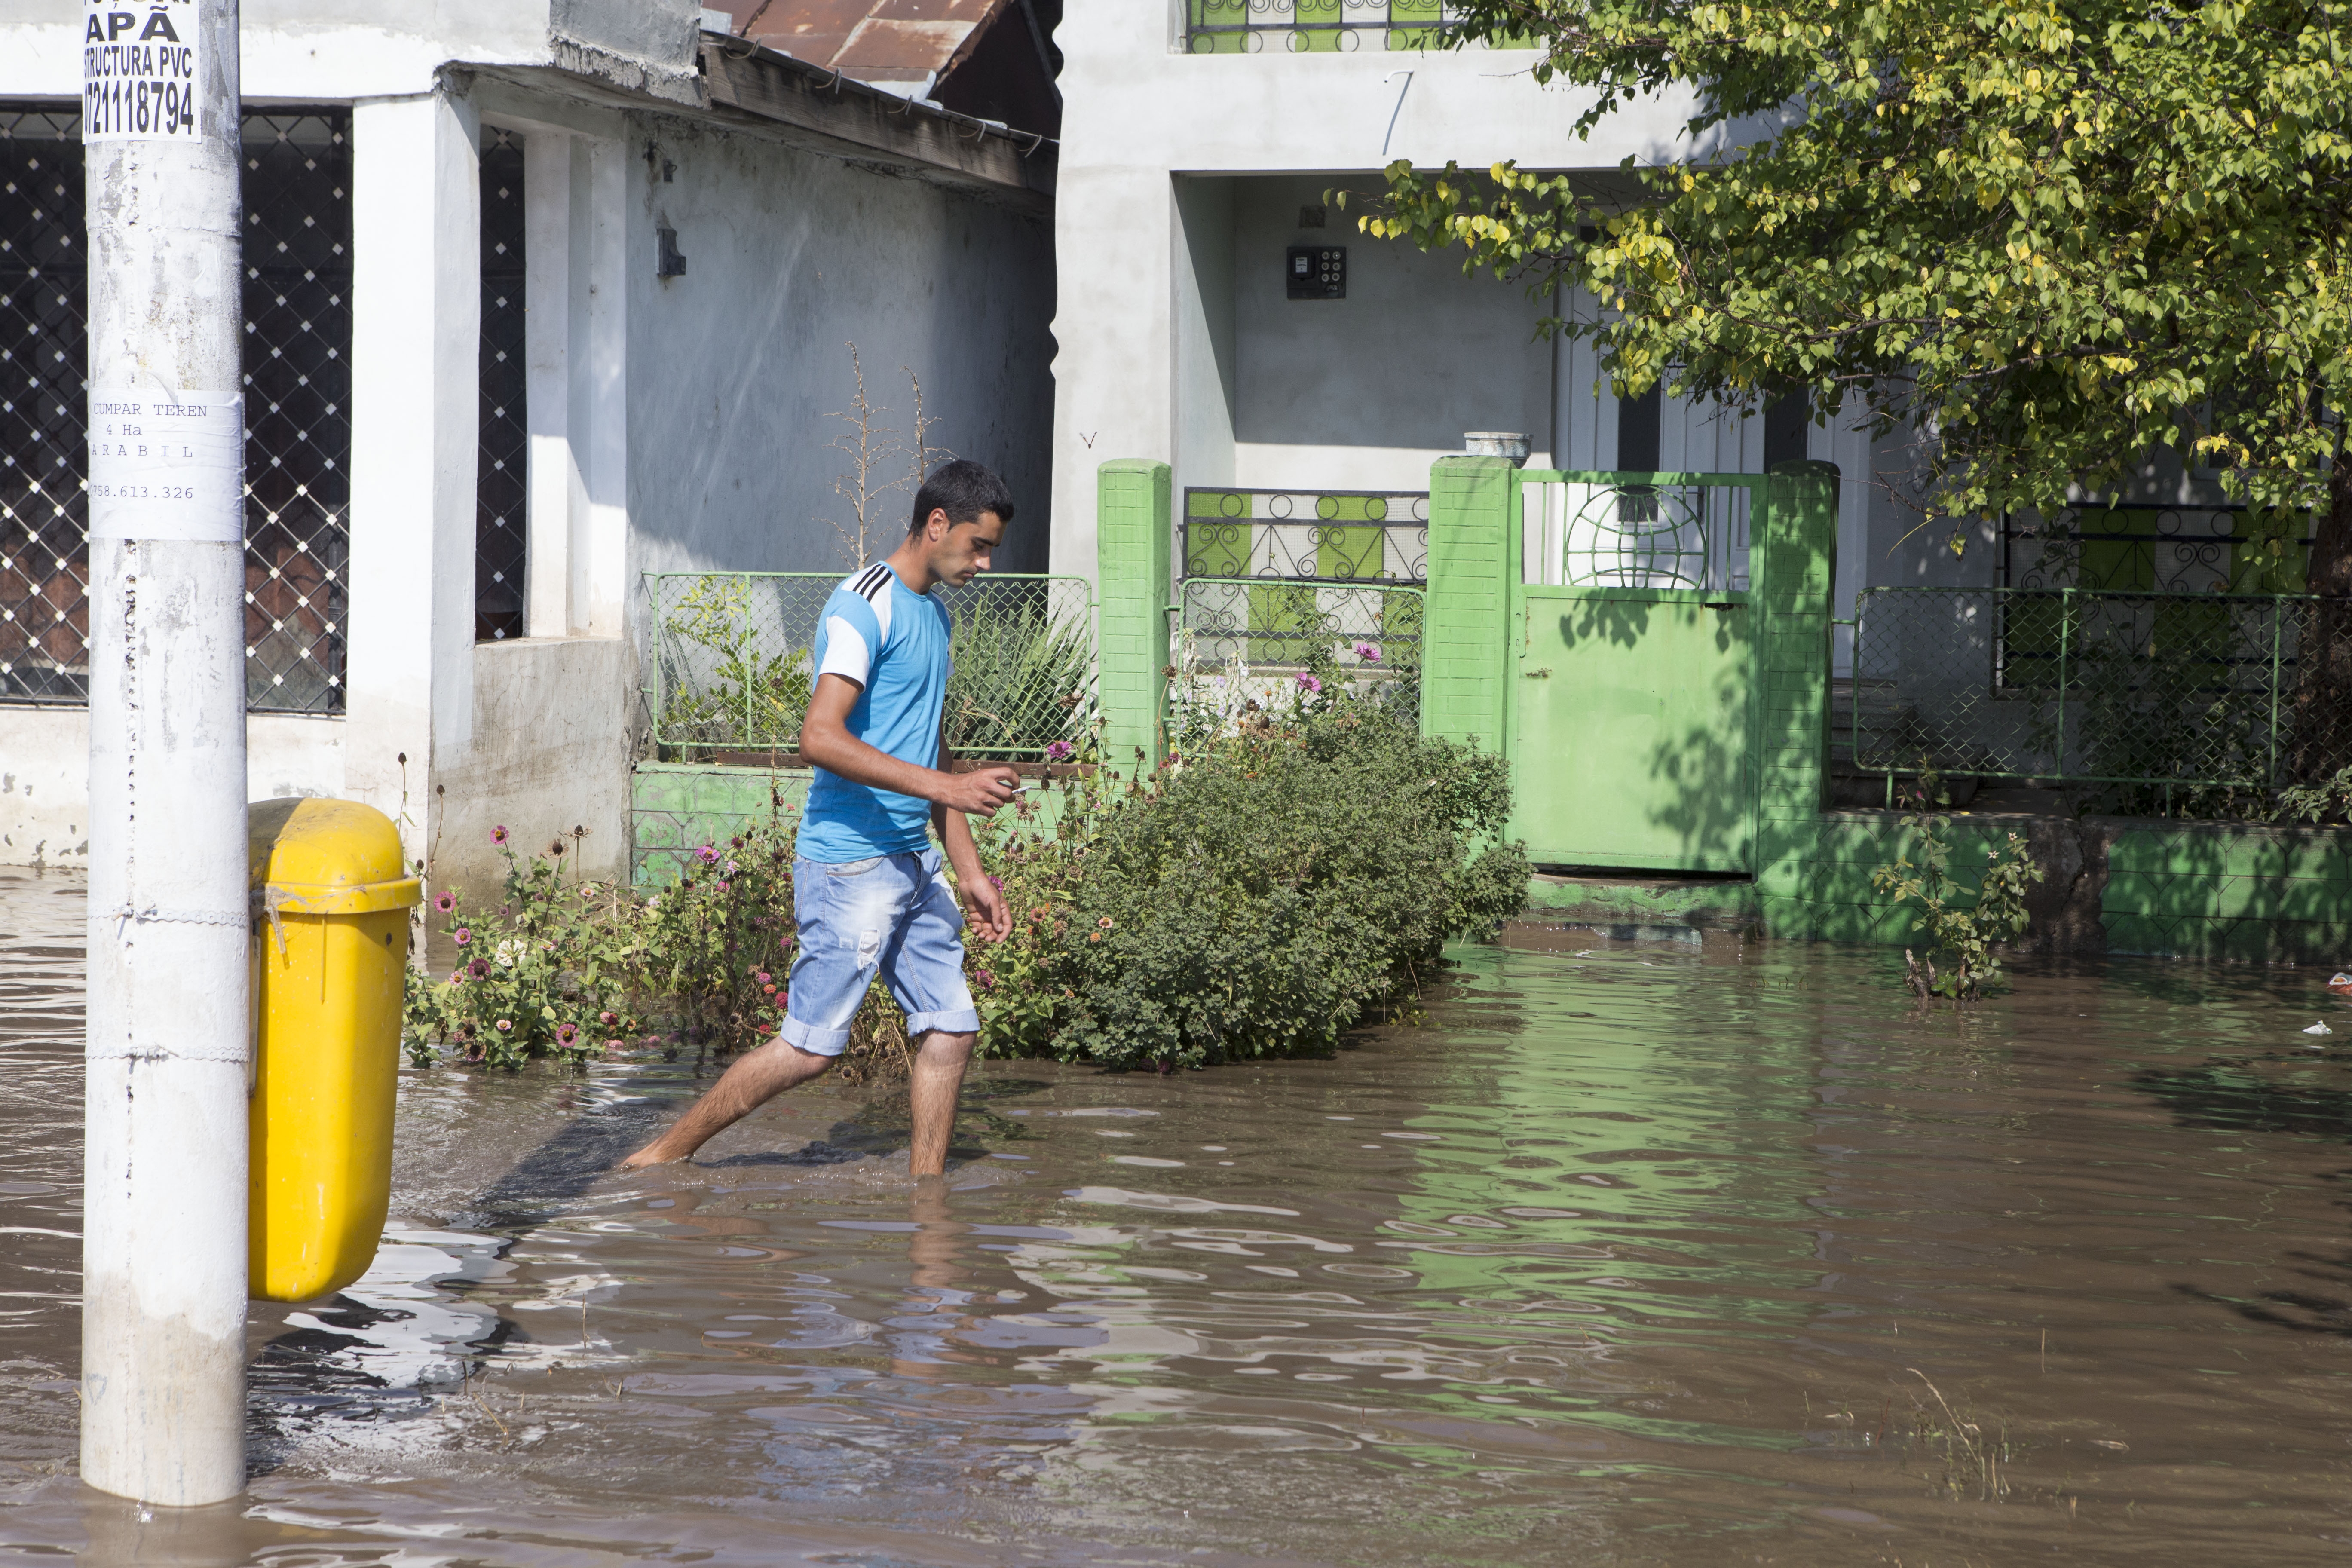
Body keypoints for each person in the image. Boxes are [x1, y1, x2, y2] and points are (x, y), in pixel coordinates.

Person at [620, 460, 1021, 1175]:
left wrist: (970, 870)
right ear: (936, 526)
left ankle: (928, 1197)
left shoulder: (933, 611)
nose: (985, 563)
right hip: (851, 864)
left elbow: (930, 745)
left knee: (952, 1028)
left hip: (913, 861)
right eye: (978, 545)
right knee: (809, 1050)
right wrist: (949, 789)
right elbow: (821, 737)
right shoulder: (863, 605)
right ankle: (663, 1156)